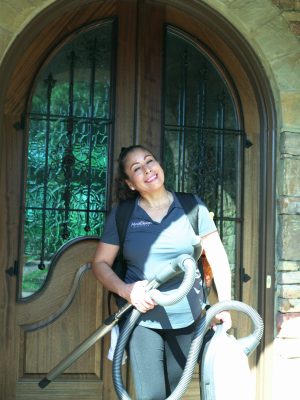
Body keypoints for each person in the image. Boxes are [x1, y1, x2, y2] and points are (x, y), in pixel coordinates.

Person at [92, 145, 232, 400]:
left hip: (187, 318)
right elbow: (100, 264)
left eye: (149, 161)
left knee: (175, 392)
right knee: (152, 396)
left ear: (159, 165)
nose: (147, 170)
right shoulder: (123, 214)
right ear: (130, 183)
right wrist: (126, 290)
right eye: (137, 169)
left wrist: (223, 304)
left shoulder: (192, 206)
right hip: (142, 319)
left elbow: (218, 257)